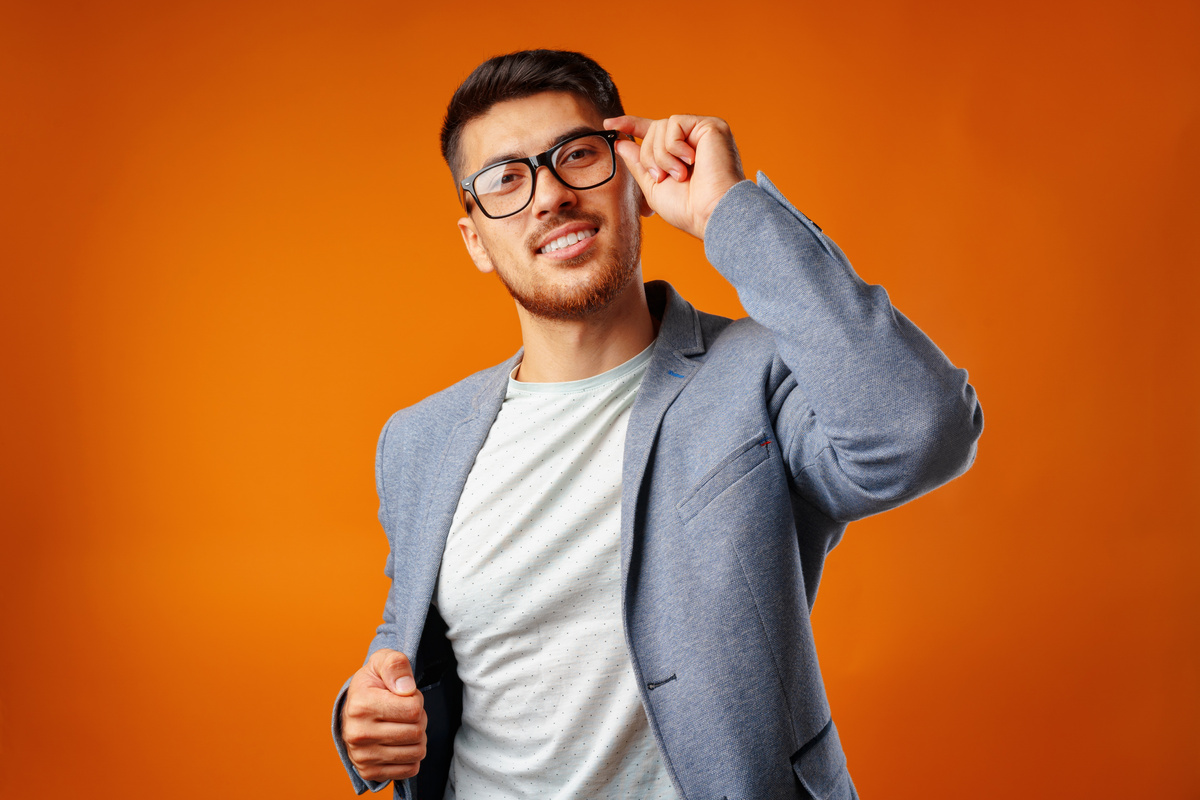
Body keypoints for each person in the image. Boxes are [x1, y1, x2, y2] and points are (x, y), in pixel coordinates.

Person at [331, 49, 982, 800]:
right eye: (506, 179)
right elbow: (410, 635)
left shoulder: (759, 376)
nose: (548, 196)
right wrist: (366, 711)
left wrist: (727, 211)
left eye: (577, 156)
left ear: (633, 183)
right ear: (475, 239)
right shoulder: (417, 440)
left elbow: (921, 429)